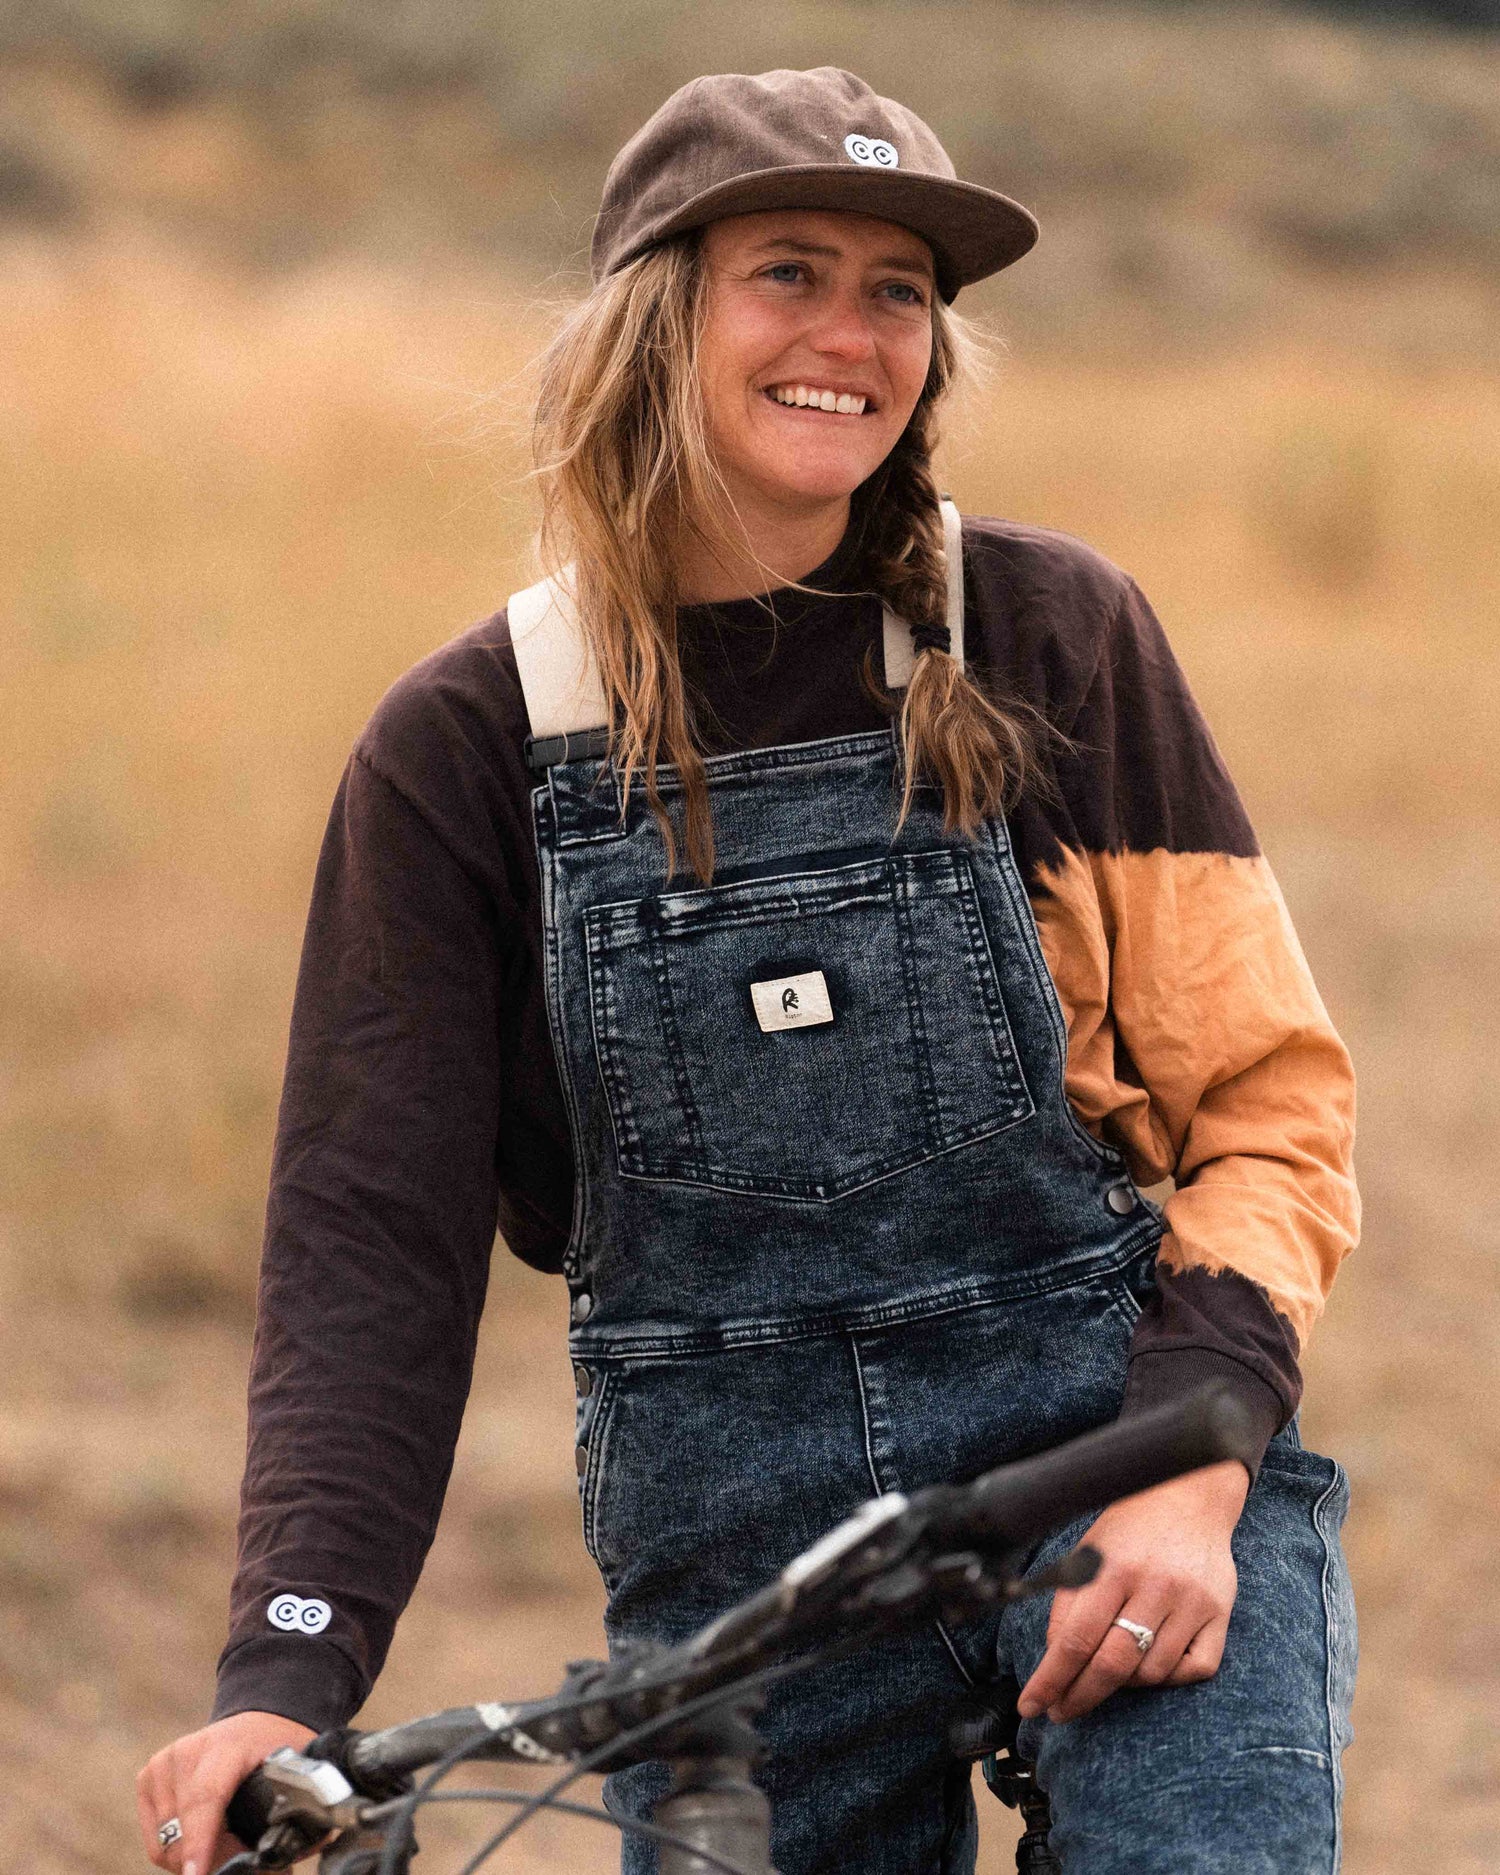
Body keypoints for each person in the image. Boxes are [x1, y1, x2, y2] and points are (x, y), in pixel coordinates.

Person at [137, 66, 1358, 1875]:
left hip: (1114, 1484)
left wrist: (1196, 1455)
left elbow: (1271, 1111)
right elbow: (367, 1247)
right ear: (658, 316)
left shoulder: (1051, 637)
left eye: (899, 293)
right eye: (789, 271)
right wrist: (287, 1673)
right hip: (740, 1588)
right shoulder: (470, 747)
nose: (850, 337)